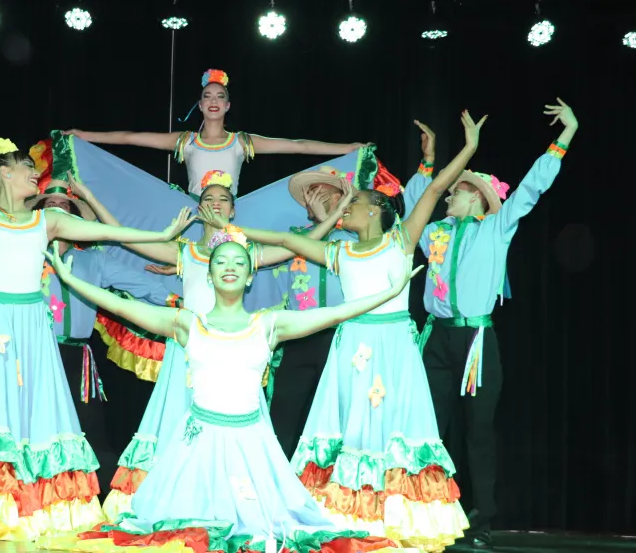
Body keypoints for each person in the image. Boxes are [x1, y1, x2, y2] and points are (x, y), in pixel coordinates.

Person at [0, 73, 194, 541]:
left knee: (35, 413)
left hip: (33, 324)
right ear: (3, 175)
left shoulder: (48, 221)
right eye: (26, 167)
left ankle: (34, 507)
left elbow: (108, 234)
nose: (36, 172)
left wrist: (158, 236)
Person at [38, 227, 424, 553]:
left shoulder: (269, 324)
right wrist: (70, 279)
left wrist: (390, 293)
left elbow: (336, 313)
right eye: (221, 261)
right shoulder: (188, 323)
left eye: (239, 263)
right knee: (182, 530)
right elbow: (121, 308)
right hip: (198, 445)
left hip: (251, 445)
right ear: (209, 274)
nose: (230, 268)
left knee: (262, 531)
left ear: (250, 276)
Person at [230, 110, 488, 551]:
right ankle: (345, 511)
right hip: (351, 347)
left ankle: (395, 513)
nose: (344, 209)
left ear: (376, 211)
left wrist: (469, 147)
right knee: (350, 429)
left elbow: (439, 187)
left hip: (392, 348)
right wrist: (230, 228)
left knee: (391, 431)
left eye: (353, 204)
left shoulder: (402, 239)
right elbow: (291, 242)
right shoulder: (340, 253)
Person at [70, 175, 343, 519]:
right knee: (176, 431)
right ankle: (173, 505)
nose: (216, 203)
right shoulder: (186, 251)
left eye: (223, 199)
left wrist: (335, 215)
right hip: (189, 353)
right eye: (209, 198)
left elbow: (297, 246)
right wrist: (91, 196)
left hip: (232, 357)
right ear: (199, 209)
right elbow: (125, 235)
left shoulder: (245, 254)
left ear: (233, 209)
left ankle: (233, 505)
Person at [0, 165, 184, 497]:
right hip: (29, 351)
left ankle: (92, 503)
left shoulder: (95, 261)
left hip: (76, 357)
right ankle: (16, 498)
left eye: (65, 208)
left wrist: (179, 300)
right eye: (50, 206)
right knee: (24, 427)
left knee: (88, 429)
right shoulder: (21, 250)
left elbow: (140, 284)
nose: (58, 211)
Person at [415, 99, 578, 549]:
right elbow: (416, 202)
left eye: (458, 190)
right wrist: (428, 163)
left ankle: (482, 519)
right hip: (436, 338)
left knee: (478, 432)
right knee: (432, 429)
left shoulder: (496, 228)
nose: (450, 195)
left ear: (478, 199)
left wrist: (564, 136)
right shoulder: (434, 235)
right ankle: (430, 510)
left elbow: (529, 189)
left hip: (476, 341)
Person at [269, 124, 437, 458]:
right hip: (301, 338)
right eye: (311, 193)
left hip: (343, 338)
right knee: (284, 421)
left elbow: (408, 216)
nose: (316, 198)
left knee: (345, 423)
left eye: (326, 193)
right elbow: (274, 282)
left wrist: (329, 223)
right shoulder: (295, 237)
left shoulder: (358, 240)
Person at [64, 68, 367, 199]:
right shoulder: (186, 141)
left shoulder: (241, 143)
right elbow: (131, 137)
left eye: (219, 96)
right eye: (208, 96)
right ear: (199, 104)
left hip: (231, 213)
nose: (213, 101)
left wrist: (348, 148)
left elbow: (298, 146)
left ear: (228, 105)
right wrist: (83, 135)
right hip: (192, 211)